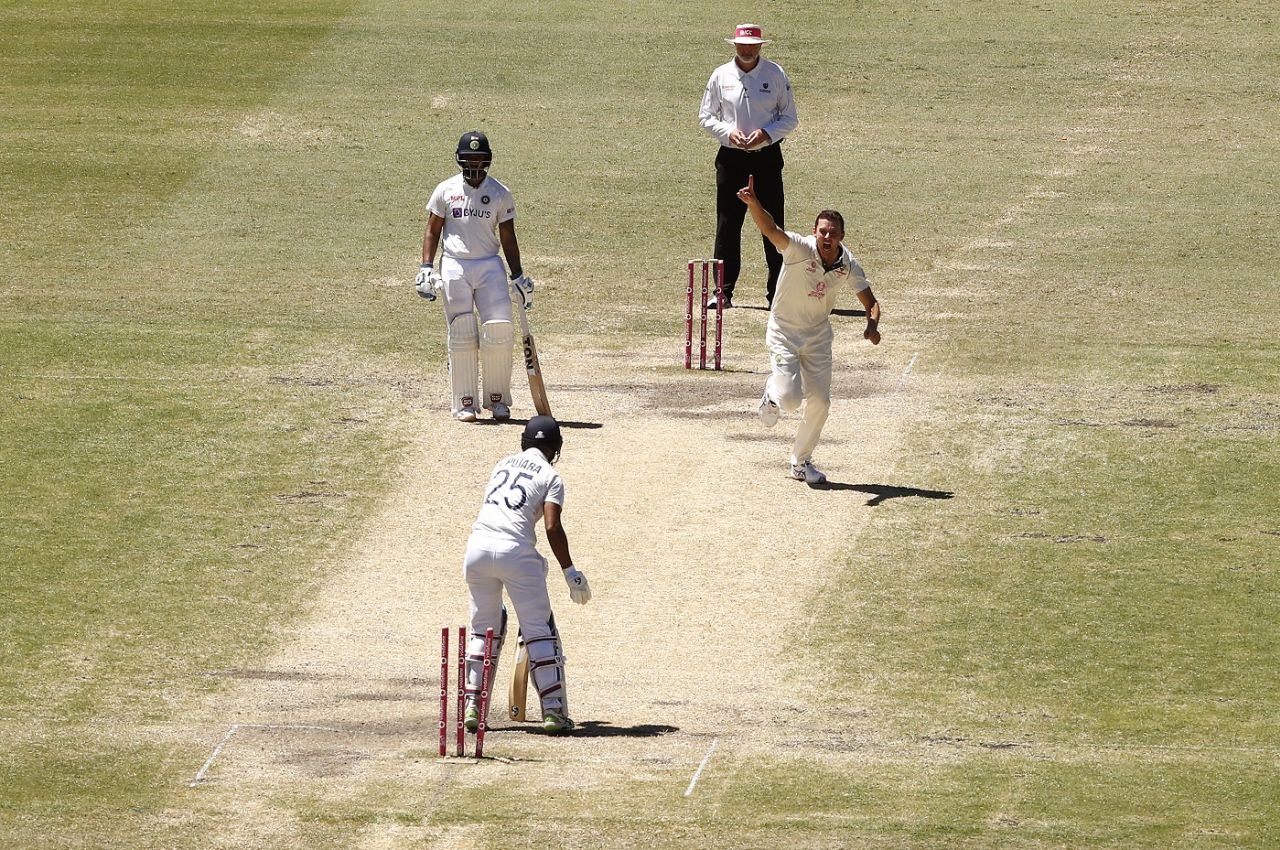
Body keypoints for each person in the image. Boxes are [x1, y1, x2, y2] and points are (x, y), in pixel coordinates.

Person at [737, 175, 882, 486]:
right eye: (822, 231)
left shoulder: (847, 264)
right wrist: (754, 204)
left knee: (821, 403)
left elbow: (871, 302)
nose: (826, 237)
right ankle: (772, 392)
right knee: (790, 400)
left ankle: (801, 462)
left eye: (832, 233)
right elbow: (771, 229)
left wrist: (872, 325)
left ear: (841, 236)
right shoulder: (799, 249)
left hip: (817, 337)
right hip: (784, 332)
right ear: (814, 231)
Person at [461, 415, 591, 734]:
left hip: (477, 548)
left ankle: (473, 706)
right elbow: (552, 526)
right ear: (556, 448)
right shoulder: (550, 476)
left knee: (483, 630)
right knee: (538, 630)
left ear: (524, 442)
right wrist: (570, 572)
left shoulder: (501, 464)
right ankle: (554, 712)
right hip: (516, 553)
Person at [414, 131, 535, 422]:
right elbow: (432, 230)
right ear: (460, 159)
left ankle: (497, 399)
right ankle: (464, 402)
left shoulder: (500, 193)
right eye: (469, 158)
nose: (474, 163)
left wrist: (518, 275)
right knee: (462, 333)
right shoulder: (445, 190)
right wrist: (426, 267)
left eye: (479, 158)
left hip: (489, 265)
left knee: (500, 329)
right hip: (454, 265)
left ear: (487, 159)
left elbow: (508, 237)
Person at [698, 23, 799, 308]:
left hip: (766, 159)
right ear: (735, 45)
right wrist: (728, 133)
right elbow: (706, 117)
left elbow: (790, 118)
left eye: (752, 45)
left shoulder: (775, 74)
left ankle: (777, 295)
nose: (746, 50)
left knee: (773, 226)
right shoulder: (721, 75)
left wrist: (766, 134)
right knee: (727, 226)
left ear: (760, 46)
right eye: (742, 45)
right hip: (731, 160)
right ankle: (722, 293)